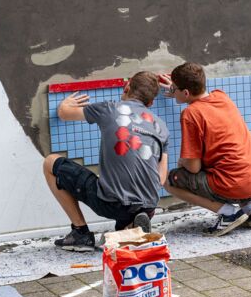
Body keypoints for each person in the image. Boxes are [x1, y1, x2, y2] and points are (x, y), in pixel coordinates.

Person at [43, 71, 169, 251]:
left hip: (112, 204)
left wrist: (65, 104)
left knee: (50, 162)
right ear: (150, 103)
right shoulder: (161, 127)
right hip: (149, 205)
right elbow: (161, 179)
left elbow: (65, 113)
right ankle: (130, 227)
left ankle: (80, 233)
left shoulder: (110, 109)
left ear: (127, 87)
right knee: (126, 200)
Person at [160, 62, 251, 236]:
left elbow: (193, 168)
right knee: (227, 163)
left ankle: (229, 213)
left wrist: (183, 161)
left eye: (174, 87)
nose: (171, 89)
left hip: (235, 184)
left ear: (186, 92)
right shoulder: (221, 96)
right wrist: (176, 90)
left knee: (168, 180)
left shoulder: (190, 114)